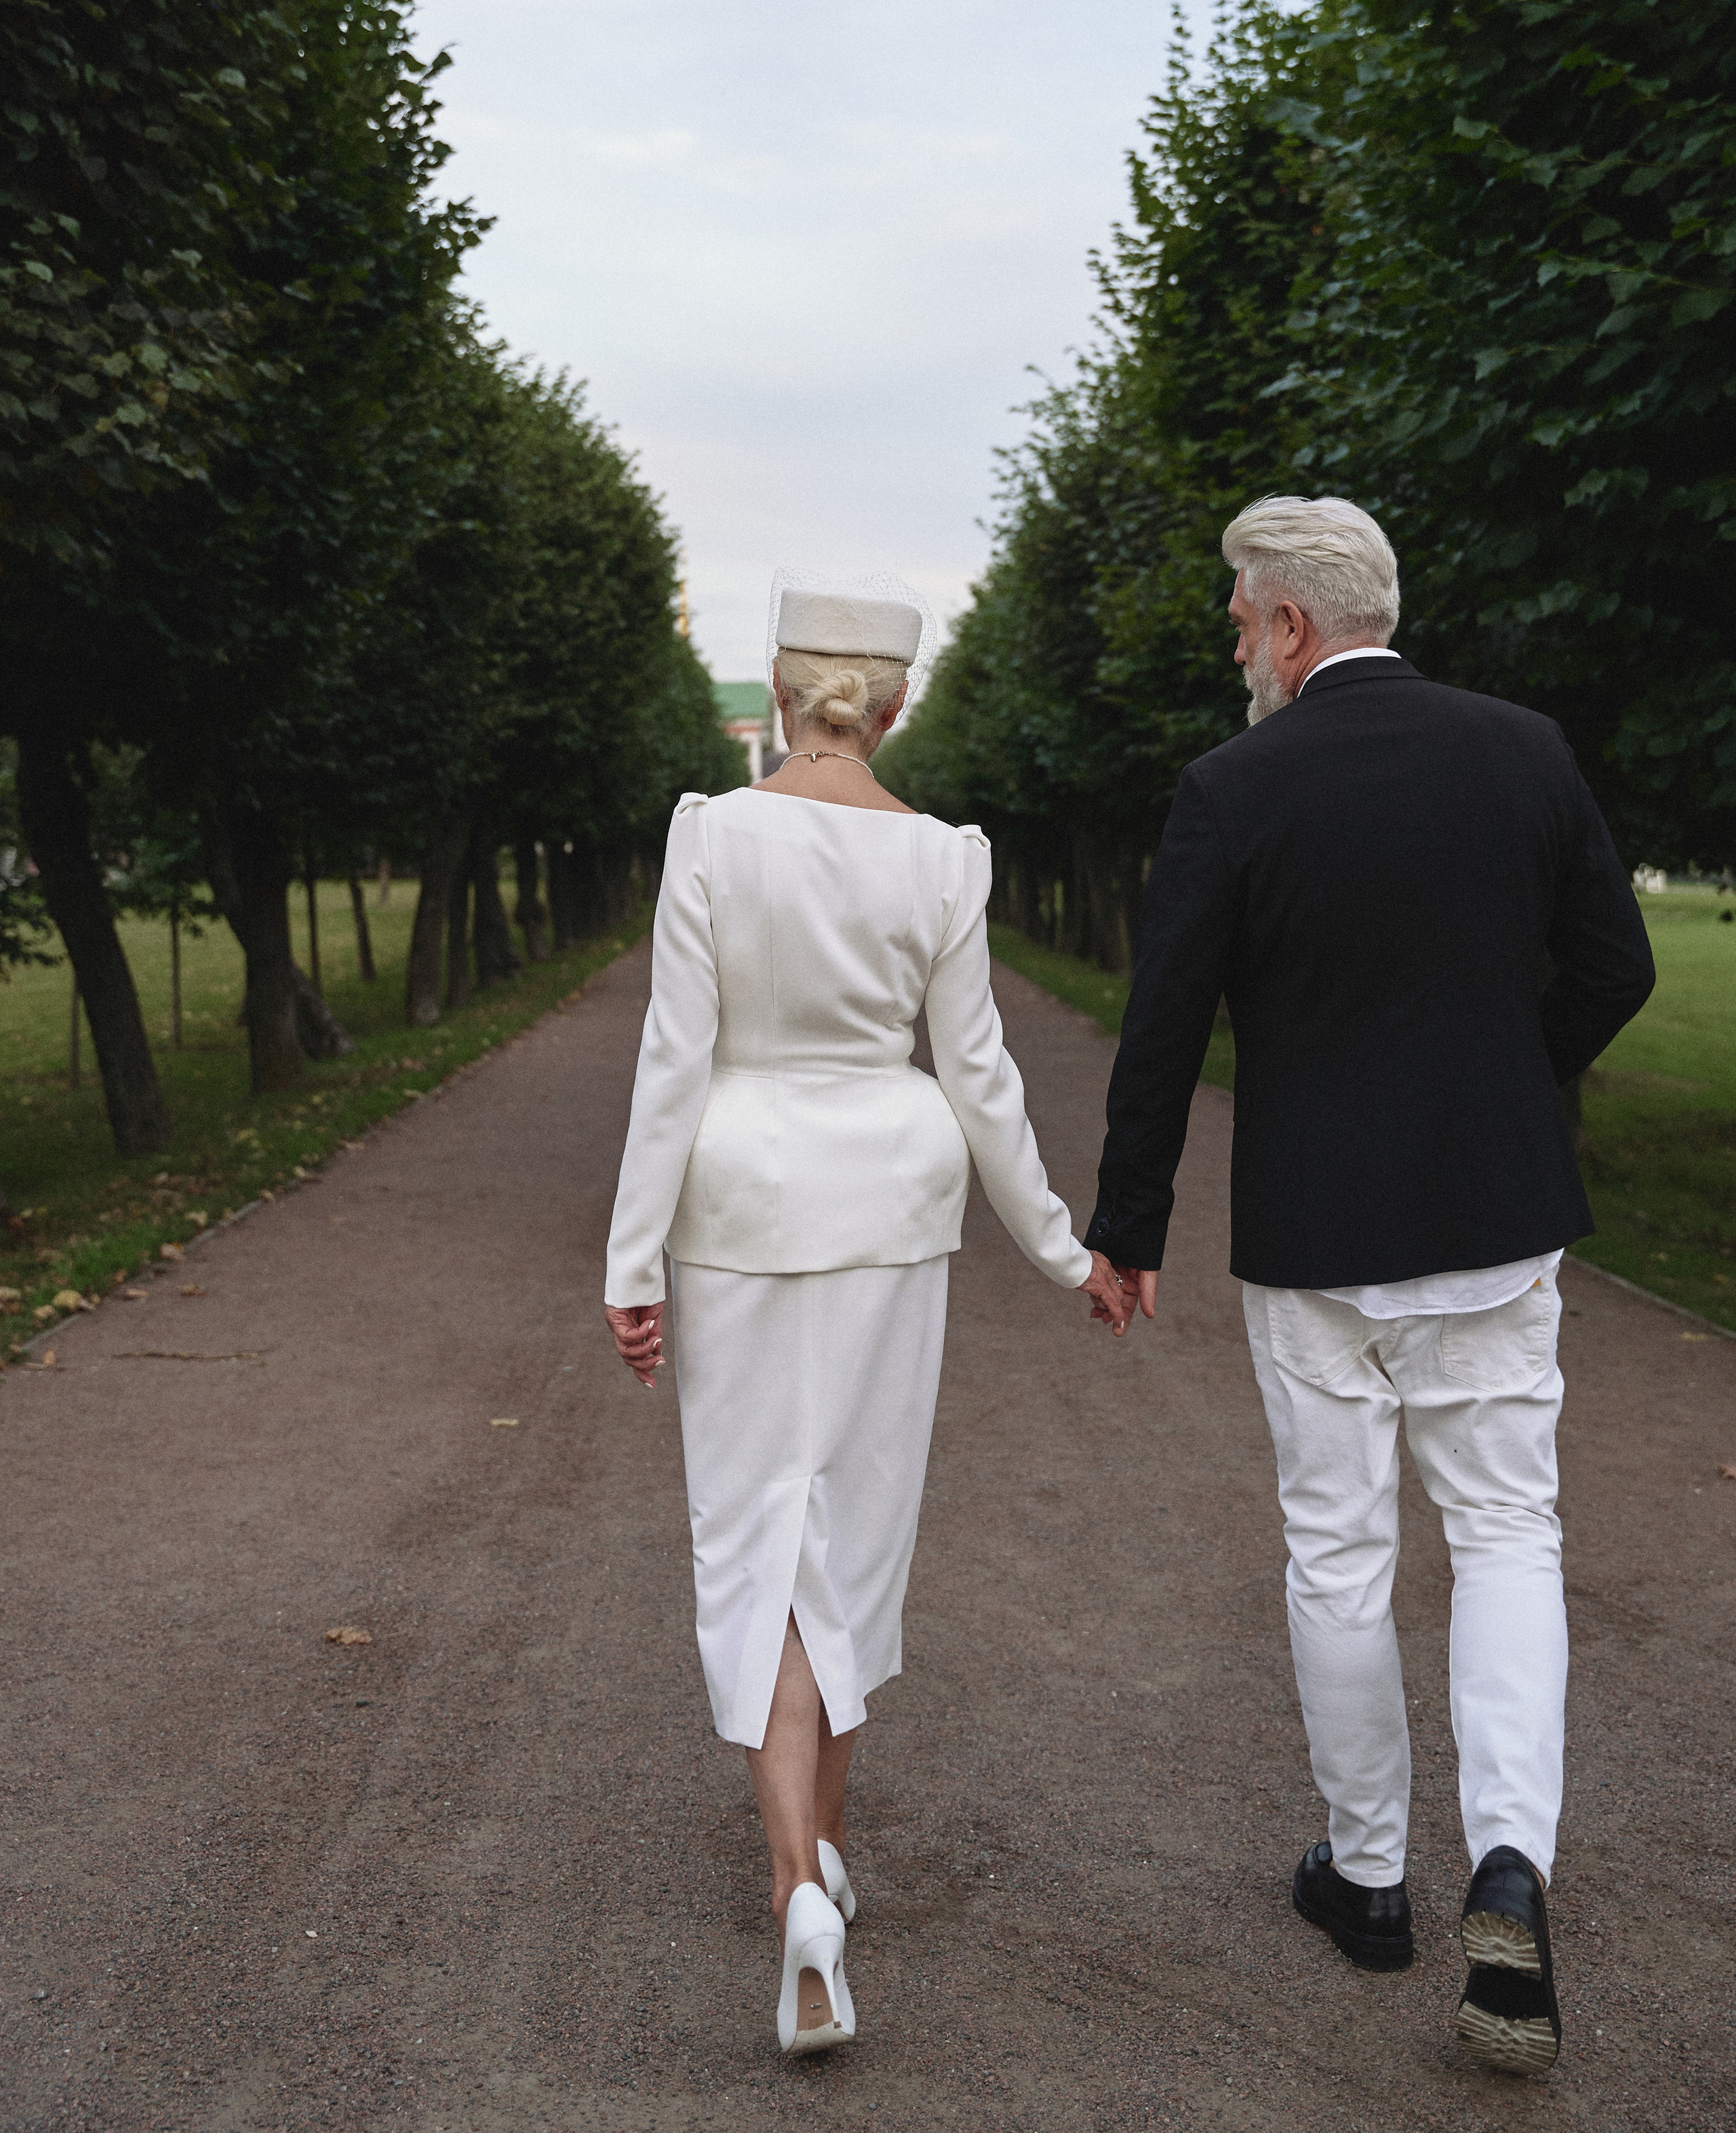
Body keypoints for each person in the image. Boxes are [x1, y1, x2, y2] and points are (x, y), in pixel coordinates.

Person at [1084, 495, 1655, 2079]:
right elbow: (1615, 969)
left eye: (1235, 625)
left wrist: (1127, 1224)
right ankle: (1509, 1867)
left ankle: (1367, 1883)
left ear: (1284, 626)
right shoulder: (1524, 751)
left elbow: (1160, 1026)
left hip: (1316, 1237)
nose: (1234, 652)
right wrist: (1504, 1094)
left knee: (1339, 1546)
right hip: (1491, 1223)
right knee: (1503, 1532)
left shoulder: (1230, 787)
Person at [604, 576, 1130, 2058]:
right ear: (890, 704)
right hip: (891, 1212)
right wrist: (1059, 1247)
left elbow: (671, 1061)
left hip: (740, 1209)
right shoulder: (947, 861)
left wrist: (630, 1260)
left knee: (758, 1533)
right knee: (848, 1536)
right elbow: (978, 1077)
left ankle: (797, 1893)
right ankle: (812, 1869)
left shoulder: (711, 834)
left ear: (779, 698)